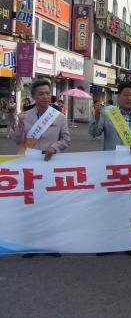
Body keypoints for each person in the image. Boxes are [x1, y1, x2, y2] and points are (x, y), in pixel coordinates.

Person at [89, 80, 131, 256]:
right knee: (109, 207)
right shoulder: (107, 113)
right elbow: (94, 133)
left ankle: (129, 242)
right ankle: (108, 243)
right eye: (126, 95)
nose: (129, 98)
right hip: (111, 168)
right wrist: (96, 116)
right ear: (118, 96)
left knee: (130, 206)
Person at [12, 79, 70, 259]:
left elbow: (66, 140)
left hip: (50, 165)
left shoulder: (58, 117)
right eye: (41, 94)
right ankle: (32, 244)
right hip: (29, 167)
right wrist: (20, 125)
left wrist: (55, 147)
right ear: (33, 96)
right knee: (31, 206)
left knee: (51, 206)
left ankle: (51, 244)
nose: (45, 97)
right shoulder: (25, 116)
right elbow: (17, 140)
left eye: (47, 93)